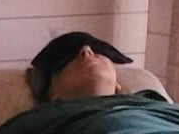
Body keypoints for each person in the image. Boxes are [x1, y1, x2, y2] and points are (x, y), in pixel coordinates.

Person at [26, 31, 166, 103]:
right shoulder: (40, 126)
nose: (87, 51)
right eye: (70, 56)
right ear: (52, 93)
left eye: (98, 50)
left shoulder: (154, 103)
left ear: (117, 84)